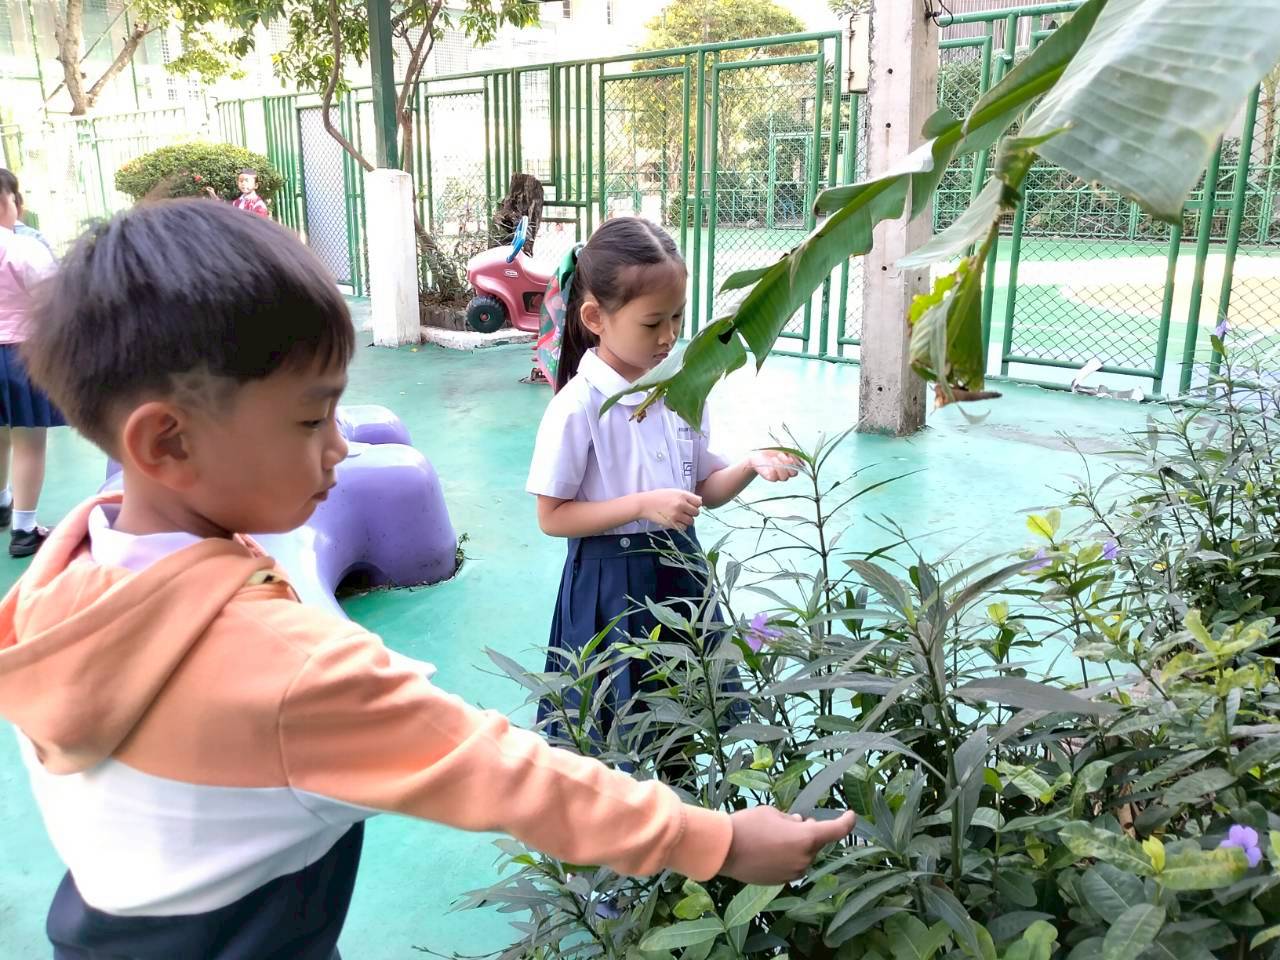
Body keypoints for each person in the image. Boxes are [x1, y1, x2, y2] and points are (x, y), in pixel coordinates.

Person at [0, 200, 853, 960]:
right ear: (167, 442)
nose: (341, 445)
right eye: (311, 417)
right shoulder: (285, 671)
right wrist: (719, 843)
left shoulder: (64, 579)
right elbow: (501, 770)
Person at [526, 217, 799, 743]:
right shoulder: (577, 407)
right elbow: (551, 517)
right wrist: (641, 505)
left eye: (677, 317)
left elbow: (704, 492)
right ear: (595, 318)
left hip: (682, 575)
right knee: (612, 736)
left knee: (690, 726)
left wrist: (749, 464)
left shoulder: (681, 390)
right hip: (609, 588)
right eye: (653, 323)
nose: (669, 336)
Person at [0, 169, 63, 558]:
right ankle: (24, 530)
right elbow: (53, 300)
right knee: (29, 441)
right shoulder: (24, 249)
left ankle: (1, 502)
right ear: (8, 203)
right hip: (21, 354)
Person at [206, 167, 270, 218]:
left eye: (247, 181)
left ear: (256, 185)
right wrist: (213, 195)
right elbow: (226, 206)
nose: (243, 183)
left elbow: (260, 226)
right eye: (241, 181)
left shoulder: (258, 205)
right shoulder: (238, 202)